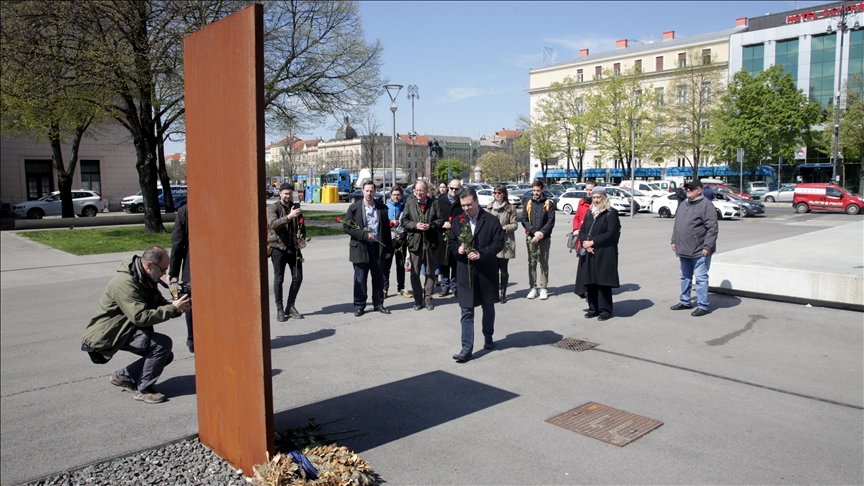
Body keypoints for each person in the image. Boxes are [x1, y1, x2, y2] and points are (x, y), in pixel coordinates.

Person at [81, 246, 191, 404]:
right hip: (109, 333)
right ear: (149, 265)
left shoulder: (143, 277)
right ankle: (144, 390)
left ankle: (124, 377)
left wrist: (178, 306)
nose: (165, 273)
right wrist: (173, 309)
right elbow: (140, 317)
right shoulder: (125, 282)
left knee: (165, 355)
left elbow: (158, 303)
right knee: (162, 345)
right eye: (163, 269)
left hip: (126, 327)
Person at [449, 187, 505, 362]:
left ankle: (488, 336)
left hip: (485, 272)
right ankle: (466, 348)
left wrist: (482, 254)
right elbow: (451, 242)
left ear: (476, 201)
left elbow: (499, 242)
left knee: (488, 307)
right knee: (466, 311)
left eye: (469, 205)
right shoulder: (458, 220)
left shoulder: (491, 220)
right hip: (465, 273)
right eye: (463, 205)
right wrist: (458, 249)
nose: (466, 208)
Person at [343, 181, 393, 316]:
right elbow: (346, 227)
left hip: (377, 248)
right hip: (360, 248)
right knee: (360, 279)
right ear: (362, 191)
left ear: (375, 191)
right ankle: (359, 306)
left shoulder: (382, 208)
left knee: (378, 278)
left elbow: (386, 231)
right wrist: (364, 235)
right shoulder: (354, 208)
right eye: (367, 191)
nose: (369, 193)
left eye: (371, 191)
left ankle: (379, 304)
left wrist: (389, 249)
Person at [671, 180, 718, 317]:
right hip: (683, 249)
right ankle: (685, 301)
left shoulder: (706, 205)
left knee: (701, 278)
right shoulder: (683, 204)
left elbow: (712, 228)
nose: (688, 190)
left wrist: (707, 246)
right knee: (684, 276)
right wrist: (674, 240)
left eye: (691, 188)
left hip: (699, 250)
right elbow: (677, 224)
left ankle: (703, 305)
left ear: (699, 190)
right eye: (687, 188)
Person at [574, 187, 621, 321]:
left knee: (602, 282)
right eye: (594, 197)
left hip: (604, 253)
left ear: (604, 198)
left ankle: (605, 310)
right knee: (590, 281)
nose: (596, 200)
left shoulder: (611, 213)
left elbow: (611, 233)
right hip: (589, 252)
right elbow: (583, 230)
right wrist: (585, 243)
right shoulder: (590, 212)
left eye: (598, 197)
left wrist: (593, 242)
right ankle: (593, 308)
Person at [400, 180, 443, 310]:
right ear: (414, 191)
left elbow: (441, 220)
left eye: (421, 190)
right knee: (415, 273)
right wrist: (415, 225)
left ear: (426, 191)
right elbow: (404, 221)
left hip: (430, 243)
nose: (419, 193)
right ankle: (418, 299)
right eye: (417, 190)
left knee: (430, 272)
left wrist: (431, 226)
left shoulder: (434, 203)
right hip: (415, 242)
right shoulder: (409, 204)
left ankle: (428, 298)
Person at [267, 182, 306, 322]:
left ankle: (290, 306)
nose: (288, 196)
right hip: (278, 248)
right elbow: (273, 224)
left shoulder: (295, 207)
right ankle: (280, 309)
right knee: (279, 279)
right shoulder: (273, 208)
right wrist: (289, 217)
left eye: (290, 193)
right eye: (285, 193)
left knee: (298, 277)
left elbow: (301, 224)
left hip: (294, 248)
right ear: (280, 193)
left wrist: (302, 238)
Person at [520, 179, 556, 300]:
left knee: (544, 262)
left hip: (544, 237)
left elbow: (551, 221)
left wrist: (541, 233)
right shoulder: (528, 203)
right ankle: (533, 288)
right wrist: (534, 232)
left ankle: (543, 288)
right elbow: (524, 220)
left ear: (542, 190)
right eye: (534, 190)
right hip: (531, 237)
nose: (536, 193)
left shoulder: (549, 204)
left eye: (538, 190)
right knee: (532, 262)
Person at [485, 184, 517, 303]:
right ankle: (494, 292)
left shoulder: (511, 208)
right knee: (493, 269)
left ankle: (503, 293)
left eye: (499, 193)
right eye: (495, 193)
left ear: (504, 194)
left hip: (505, 242)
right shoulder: (489, 207)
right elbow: (485, 223)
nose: (497, 195)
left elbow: (515, 224)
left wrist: (505, 228)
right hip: (492, 242)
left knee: (503, 269)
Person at [169, 203, 194, 353]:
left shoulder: (185, 210)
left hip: (192, 265)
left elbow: (178, 242)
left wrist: (173, 272)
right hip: (216, 264)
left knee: (190, 302)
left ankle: (192, 339)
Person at [436, 178, 463, 297]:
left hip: (457, 237)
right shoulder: (440, 201)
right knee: (444, 263)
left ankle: (455, 287)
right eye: (452, 188)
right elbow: (435, 217)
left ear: (460, 189)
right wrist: (442, 224)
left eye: (456, 189)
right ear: (448, 188)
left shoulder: (462, 201)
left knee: (455, 263)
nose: (454, 191)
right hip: (443, 236)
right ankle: (445, 287)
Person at [384, 185, 411, 299]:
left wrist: (404, 232)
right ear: (390, 195)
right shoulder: (386, 207)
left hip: (401, 239)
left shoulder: (405, 207)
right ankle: (384, 288)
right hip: (389, 239)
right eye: (394, 195)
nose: (396, 197)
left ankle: (401, 287)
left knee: (400, 265)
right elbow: (381, 223)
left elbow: (408, 221)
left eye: (398, 195)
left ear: (402, 195)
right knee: (386, 266)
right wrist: (390, 223)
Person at [571, 179, 596, 299]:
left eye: (591, 190)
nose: (589, 192)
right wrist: (575, 228)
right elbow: (576, 218)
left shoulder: (598, 203)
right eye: (587, 189)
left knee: (592, 265)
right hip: (582, 237)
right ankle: (581, 289)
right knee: (582, 263)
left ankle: (591, 290)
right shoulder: (581, 202)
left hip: (593, 238)